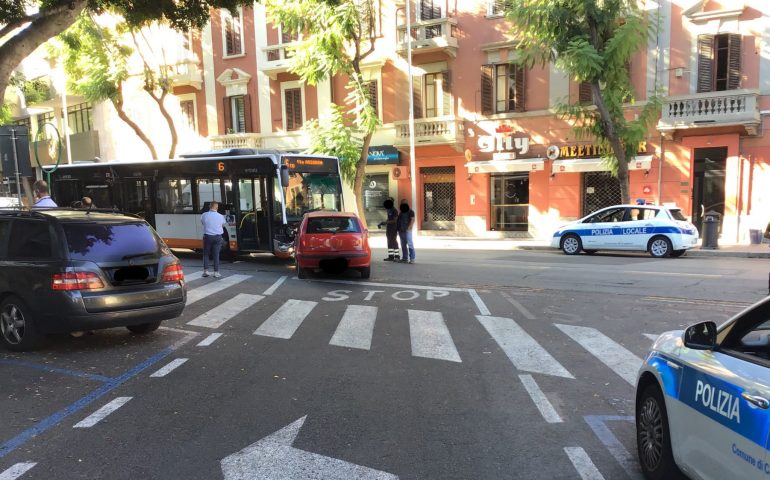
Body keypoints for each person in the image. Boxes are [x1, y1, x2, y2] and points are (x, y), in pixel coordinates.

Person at [201, 201, 228, 278]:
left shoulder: (204, 215)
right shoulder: (220, 216)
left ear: (209, 207)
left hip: (207, 237)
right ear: (217, 207)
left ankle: (206, 271)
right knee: (216, 255)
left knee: (206, 254)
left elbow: (203, 223)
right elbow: (223, 225)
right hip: (217, 237)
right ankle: (216, 272)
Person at [397, 199, 415, 264]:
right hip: (401, 231)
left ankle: (412, 258)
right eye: (402, 204)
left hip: (407, 231)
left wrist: (409, 227)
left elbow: (412, 220)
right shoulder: (401, 212)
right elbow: (399, 221)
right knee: (403, 245)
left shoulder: (411, 211)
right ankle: (405, 258)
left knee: (410, 244)